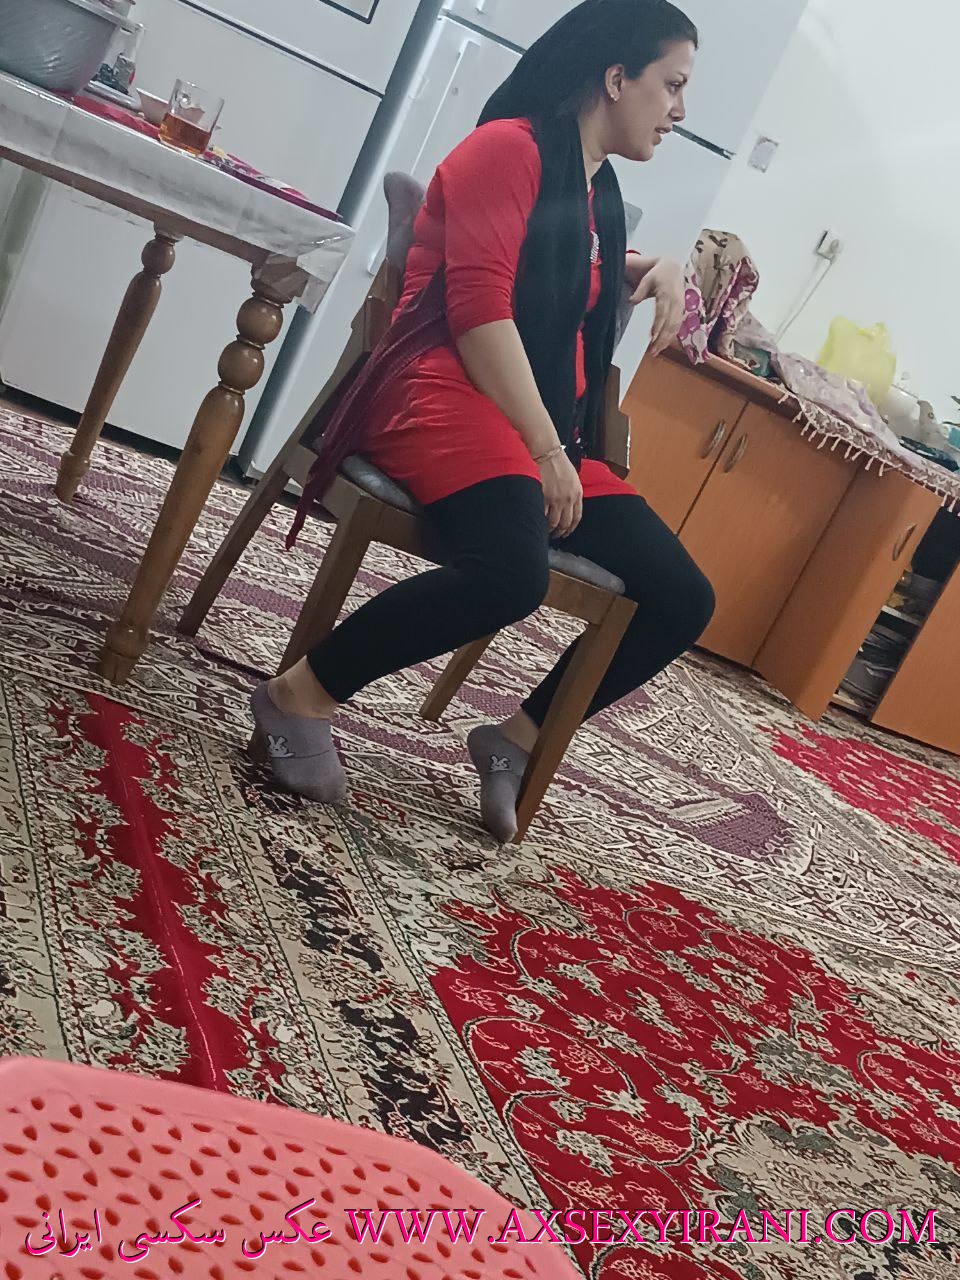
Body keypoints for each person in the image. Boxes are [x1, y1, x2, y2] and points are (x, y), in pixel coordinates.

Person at [253, 0, 715, 842]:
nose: (681, 110)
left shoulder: (592, 186)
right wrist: (547, 449)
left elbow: (566, 262)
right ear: (618, 79)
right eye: (673, 85)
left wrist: (660, 264)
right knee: (510, 573)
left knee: (682, 597)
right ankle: (299, 695)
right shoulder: (508, 148)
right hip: (439, 391)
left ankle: (517, 740)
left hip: (524, 412)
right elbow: (480, 313)